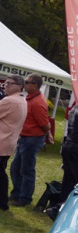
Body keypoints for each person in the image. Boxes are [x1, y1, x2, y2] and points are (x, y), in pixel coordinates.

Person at [10, 74, 54, 207]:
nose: (25, 84)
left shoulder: (38, 103)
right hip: (26, 138)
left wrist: (48, 133)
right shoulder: (30, 99)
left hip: (32, 139)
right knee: (15, 168)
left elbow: (44, 123)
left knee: (27, 170)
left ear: (35, 86)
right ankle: (17, 194)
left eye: (27, 82)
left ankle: (25, 198)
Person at [0, 76, 27, 211]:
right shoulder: (22, 100)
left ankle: (2, 202)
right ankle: (3, 202)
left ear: (19, 86)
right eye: (5, 83)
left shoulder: (9, 100)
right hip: (8, 141)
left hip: (3, 140)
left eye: (10, 84)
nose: (6, 86)